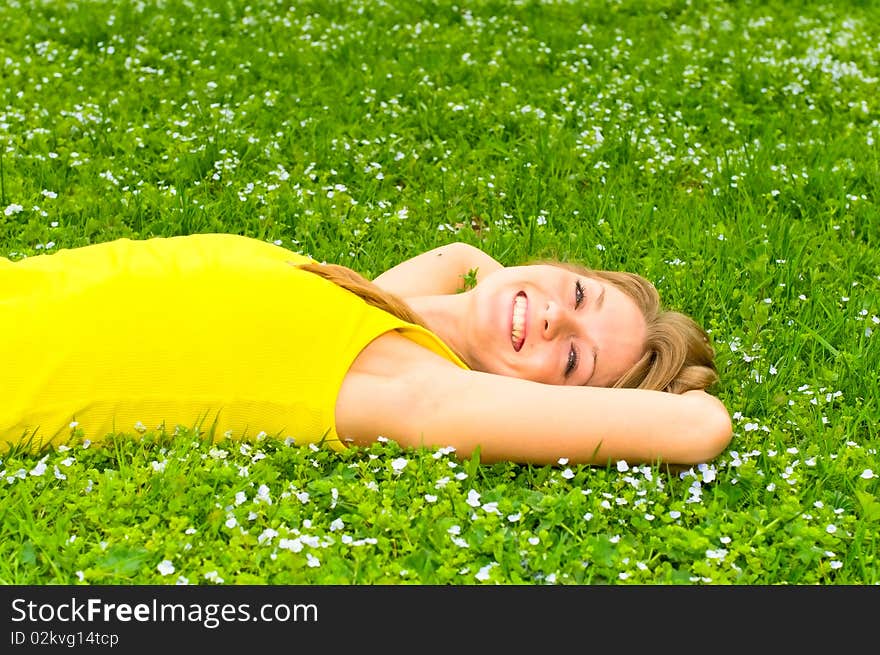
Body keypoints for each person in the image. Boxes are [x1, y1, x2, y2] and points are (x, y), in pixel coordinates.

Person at [0, 233, 732, 466]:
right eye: (576, 295)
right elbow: (458, 254)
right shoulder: (377, 308)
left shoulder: (406, 383)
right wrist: (493, 287)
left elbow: (701, 428)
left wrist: (665, 388)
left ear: (541, 401)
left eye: (574, 359)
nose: (552, 321)